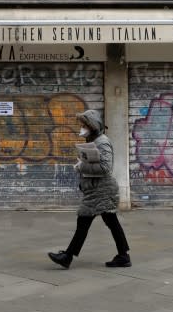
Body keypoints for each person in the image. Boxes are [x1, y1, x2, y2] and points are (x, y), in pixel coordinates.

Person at [48, 109, 131, 269]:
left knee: (85, 222)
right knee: (110, 223)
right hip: (96, 190)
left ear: (92, 126)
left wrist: (82, 166)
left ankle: (68, 256)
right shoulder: (94, 141)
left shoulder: (103, 141)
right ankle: (123, 256)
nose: (82, 127)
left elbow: (106, 167)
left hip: (102, 191)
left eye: (84, 125)